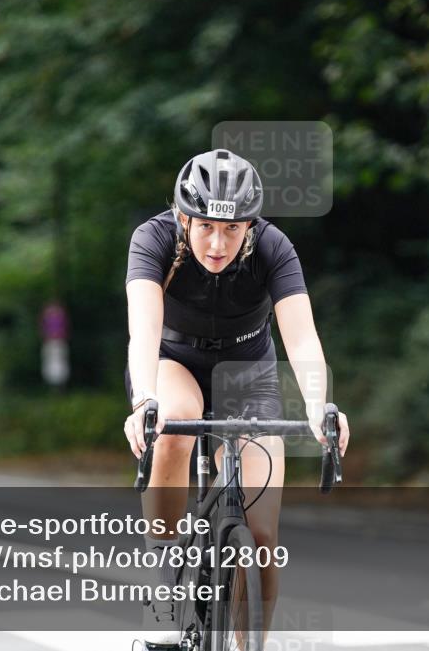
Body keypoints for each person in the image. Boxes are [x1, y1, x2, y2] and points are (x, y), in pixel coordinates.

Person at [123, 149, 350, 648]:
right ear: (184, 217)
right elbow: (143, 331)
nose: (218, 243)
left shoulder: (273, 247)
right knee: (176, 420)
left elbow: (302, 338)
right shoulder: (154, 239)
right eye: (204, 226)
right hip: (171, 362)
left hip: (248, 373)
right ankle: (163, 586)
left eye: (233, 229)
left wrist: (318, 406)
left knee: (263, 538)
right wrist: (144, 402)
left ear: (251, 224)